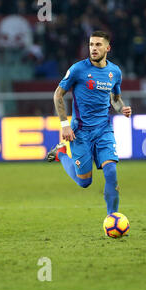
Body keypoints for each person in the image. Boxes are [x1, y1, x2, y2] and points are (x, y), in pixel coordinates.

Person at [47, 31, 132, 215]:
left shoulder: (115, 72)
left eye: (98, 45)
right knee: (85, 182)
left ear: (107, 48)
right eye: (91, 44)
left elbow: (115, 99)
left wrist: (122, 108)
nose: (93, 48)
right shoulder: (78, 69)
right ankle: (61, 153)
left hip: (103, 130)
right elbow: (58, 95)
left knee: (111, 171)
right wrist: (65, 125)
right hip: (81, 132)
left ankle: (113, 218)